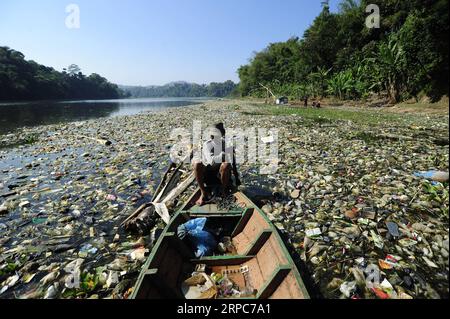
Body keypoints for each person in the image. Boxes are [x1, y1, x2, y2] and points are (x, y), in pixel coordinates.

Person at [193, 123, 240, 206]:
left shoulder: (226, 144)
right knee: (197, 164)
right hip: (208, 173)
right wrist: (223, 154)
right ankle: (203, 192)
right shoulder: (207, 145)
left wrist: (236, 177)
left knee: (226, 164)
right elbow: (212, 161)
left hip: (220, 173)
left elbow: (233, 162)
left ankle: (223, 190)